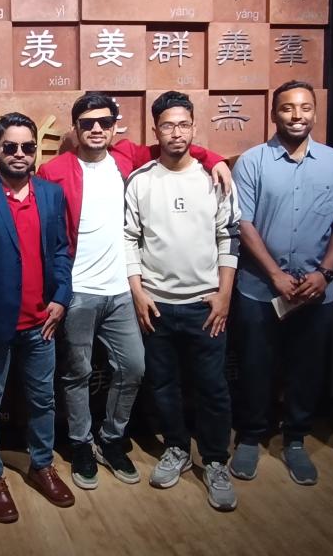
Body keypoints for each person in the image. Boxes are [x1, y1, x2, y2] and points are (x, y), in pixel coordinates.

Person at [37, 91, 231, 490]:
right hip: (78, 291)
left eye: (105, 122)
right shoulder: (53, 171)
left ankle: (111, 438)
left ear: (114, 127)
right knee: (77, 373)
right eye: (87, 123)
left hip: (124, 291)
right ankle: (80, 444)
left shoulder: (128, 158)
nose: (96, 129)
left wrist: (215, 159)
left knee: (135, 368)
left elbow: (177, 144)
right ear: (75, 128)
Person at [229, 81, 333, 485]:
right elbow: (243, 222)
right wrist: (274, 274)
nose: (297, 115)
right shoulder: (252, 162)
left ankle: (296, 439)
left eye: (304, 107)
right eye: (287, 108)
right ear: (274, 114)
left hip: (316, 289)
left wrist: (325, 273)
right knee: (255, 365)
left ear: (315, 113)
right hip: (258, 288)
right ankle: (251, 435)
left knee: (307, 368)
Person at [0, 113, 75, 523]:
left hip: (42, 323)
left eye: (27, 147)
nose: (19, 154)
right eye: (10, 147)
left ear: (35, 151)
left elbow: (61, 251)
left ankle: (42, 465)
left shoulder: (51, 194)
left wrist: (61, 297)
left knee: (43, 400)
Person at [123, 91, 242, 511]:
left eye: (184, 124)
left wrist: (224, 295)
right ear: (156, 130)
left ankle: (215, 460)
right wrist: (138, 292)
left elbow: (229, 237)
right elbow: (129, 238)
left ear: (194, 127)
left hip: (205, 306)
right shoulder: (140, 180)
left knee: (212, 387)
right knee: (163, 385)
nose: (177, 132)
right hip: (156, 305)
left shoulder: (215, 178)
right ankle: (176, 447)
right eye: (168, 125)